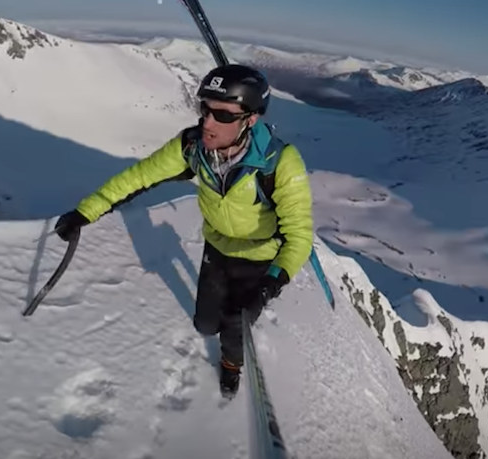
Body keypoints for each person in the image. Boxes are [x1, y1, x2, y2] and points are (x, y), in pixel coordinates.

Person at [53, 64, 314, 397]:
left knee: (236, 324)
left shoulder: (280, 162)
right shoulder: (192, 148)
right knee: (205, 324)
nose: (207, 122)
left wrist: (268, 286)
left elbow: (299, 236)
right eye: (204, 109)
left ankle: (231, 368)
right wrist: (84, 212)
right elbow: (139, 177)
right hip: (218, 249)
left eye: (222, 114)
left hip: (260, 257)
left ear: (250, 120)